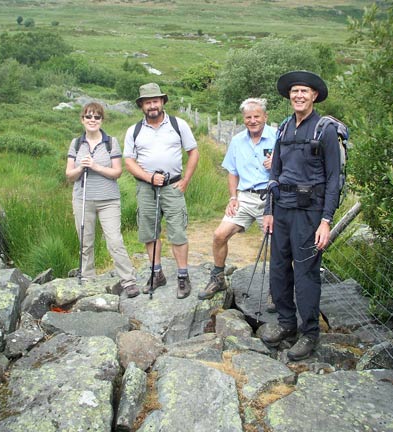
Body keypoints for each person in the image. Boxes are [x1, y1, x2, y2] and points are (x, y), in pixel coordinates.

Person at [261, 70, 341, 361]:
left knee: (306, 274)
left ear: (314, 96)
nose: (298, 95)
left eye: (304, 91)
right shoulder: (283, 128)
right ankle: (286, 324)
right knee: (280, 268)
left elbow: (334, 179)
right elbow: (275, 173)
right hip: (281, 209)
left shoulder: (325, 129)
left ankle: (309, 334)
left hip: (310, 213)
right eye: (294, 91)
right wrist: (269, 211)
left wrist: (326, 221)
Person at [123, 83, 199, 299]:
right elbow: (129, 161)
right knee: (149, 232)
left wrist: (186, 180)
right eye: (147, 102)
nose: (152, 105)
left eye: (155, 101)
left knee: (178, 232)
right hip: (146, 188)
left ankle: (182, 277)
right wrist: (148, 177)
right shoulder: (134, 131)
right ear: (142, 106)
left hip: (173, 185)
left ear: (163, 102)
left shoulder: (178, 124)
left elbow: (193, 152)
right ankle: (157, 274)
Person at [198, 98, 275, 301]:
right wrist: (233, 197)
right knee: (219, 235)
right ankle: (218, 278)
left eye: (257, 116)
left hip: (272, 199)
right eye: (248, 117)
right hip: (244, 198)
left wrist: (278, 162)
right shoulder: (237, 140)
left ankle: (277, 290)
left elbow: (293, 167)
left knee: (277, 246)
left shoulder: (278, 138)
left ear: (265, 117)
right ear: (243, 119)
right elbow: (232, 172)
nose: (252, 120)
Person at [66, 102, 139, 298]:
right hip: (82, 200)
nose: (92, 120)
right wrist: (81, 168)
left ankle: (128, 280)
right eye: (88, 116)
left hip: (108, 200)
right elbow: (69, 174)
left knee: (115, 241)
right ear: (82, 119)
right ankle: (87, 278)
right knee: (86, 242)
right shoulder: (75, 143)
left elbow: (117, 172)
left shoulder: (111, 142)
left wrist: (95, 166)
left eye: (96, 117)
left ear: (102, 120)